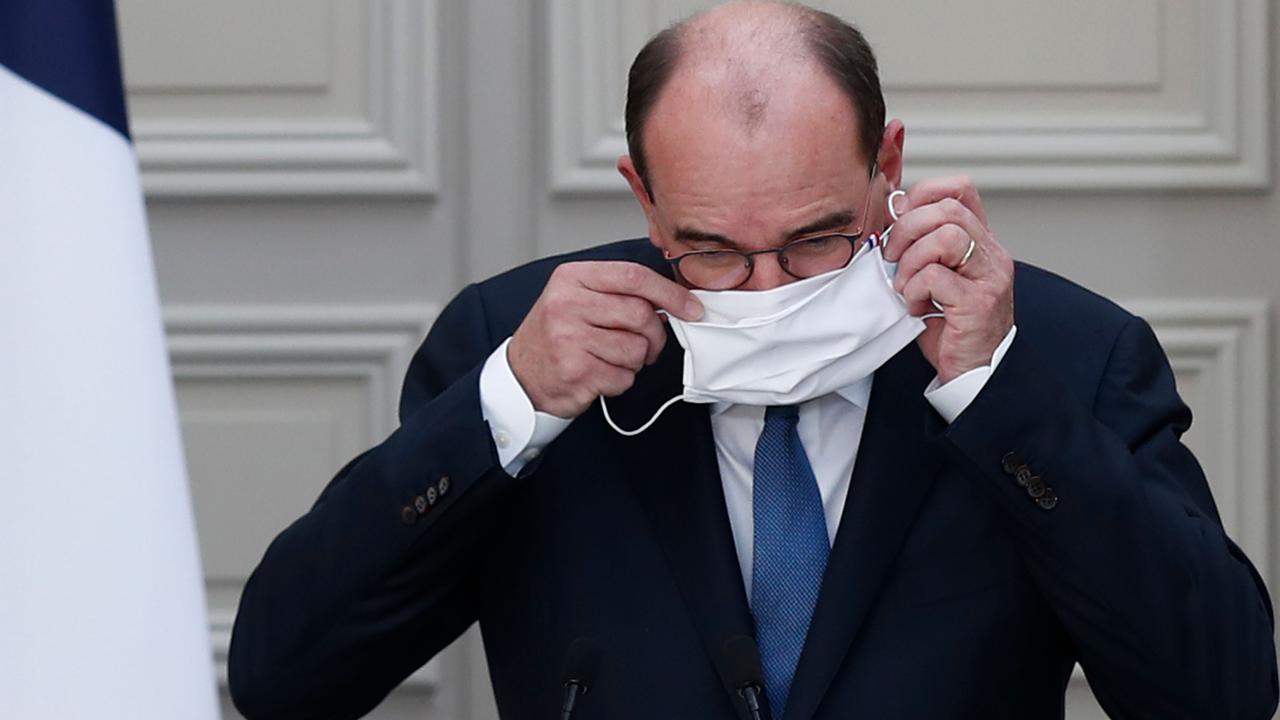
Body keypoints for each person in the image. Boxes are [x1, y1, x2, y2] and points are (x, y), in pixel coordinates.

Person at [227, 2, 1278, 718]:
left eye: (816, 238)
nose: (767, 288)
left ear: (888, 167)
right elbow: (286, 676)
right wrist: (510, 407)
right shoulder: (522, 340)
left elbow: (1220, 692)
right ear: (644, 198)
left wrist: (996, 397)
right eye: (714, 249)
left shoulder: (1063, 350)